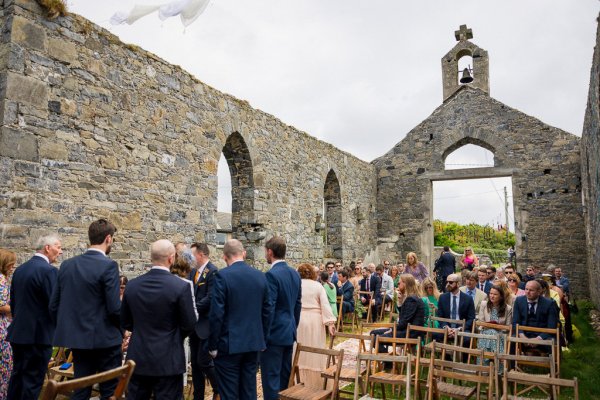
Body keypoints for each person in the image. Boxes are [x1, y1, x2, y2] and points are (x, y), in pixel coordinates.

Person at [49, 219, 122, 400]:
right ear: (108, 238)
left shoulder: (67, 265)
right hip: (106, 340)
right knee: (109, 390)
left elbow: (53, 306)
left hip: (78, 340)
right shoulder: (109, 265)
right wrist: (122, 330)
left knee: (81, 388)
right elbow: (114, 308)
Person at [121, 239, 197, 400]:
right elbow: (189, 323)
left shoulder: (133, 285)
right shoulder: (180, 287)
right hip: (168, 358)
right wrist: (174, 336)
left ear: (151, 258)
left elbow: (126, 321)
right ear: (172, 258)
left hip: (138, 356)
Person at [208, 239, 269, 400]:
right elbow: (267, 311)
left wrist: (212, 346)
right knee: (249, 390)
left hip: (229, 344)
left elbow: (216, 314)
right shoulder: (260, 276)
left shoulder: (222, 276)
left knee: (229, 392)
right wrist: (263, 338)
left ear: (224, 256)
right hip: (253, 342)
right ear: (244, 253)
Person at [7, 234, 62, 400]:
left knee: (17, 378)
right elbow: (54, 305)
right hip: (38, 336)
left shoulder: (20, 269)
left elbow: (14, 303)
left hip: (18, 334)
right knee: (32, 382)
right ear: (47, 248)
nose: (60, 252)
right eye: (58, 247)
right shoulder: (49, 271)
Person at [261, 237, 302, 400]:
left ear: (270, 252)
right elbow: (298, 305)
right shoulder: (294, 273)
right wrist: (293, 325)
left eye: (265, 251)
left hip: (273, 335)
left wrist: (263, 336)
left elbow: (268, 308)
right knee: (284, 378)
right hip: (289, 332)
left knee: (271, 380)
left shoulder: (271, 275)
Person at [296, 263, 336, 387]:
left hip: (299, 320)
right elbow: (325, 305)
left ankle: (299, 381)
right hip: (315, 321)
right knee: (315, 350)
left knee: (299, 351)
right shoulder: (318, 286)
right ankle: (316, 384)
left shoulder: (297, 285)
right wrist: (330, 323)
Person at [188, 242, 219, 400]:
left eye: (192, 254)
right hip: (194, 325)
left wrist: (192, 307)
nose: (191, 258)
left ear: (201, 255)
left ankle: (218, 387)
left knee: (204, 361)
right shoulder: (193, 272)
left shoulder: (212, 272)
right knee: (195, 363)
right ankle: (198, 396)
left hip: (205, 325)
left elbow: (211, 297)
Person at [371, 274, 425, 353]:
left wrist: (391, 329)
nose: (397, 285)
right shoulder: (409, 298)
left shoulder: (412, 299)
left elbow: (404, 322)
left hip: (410, 333)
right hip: (405, 330)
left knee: (376, 338)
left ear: (405, 284)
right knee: (373, 333)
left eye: (399, 283)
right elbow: (404, 317)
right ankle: (386, 360)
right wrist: (400, 302)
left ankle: (388, 363)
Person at [512, 280, 559, 350]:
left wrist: (539, 339)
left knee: (551, 343)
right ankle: (510, 361)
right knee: (512, 342)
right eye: (526, 289)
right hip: (523, 333)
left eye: (531, 290)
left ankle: (549, 360)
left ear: (539, 292)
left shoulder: (549, 304)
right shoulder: (519, 301)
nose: (528, 292)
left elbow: (551, 327)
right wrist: (522, 336)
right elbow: (515, 322)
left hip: (542, 334)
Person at [436, 274, 476, 342]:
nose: (448, 284)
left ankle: (462, 353)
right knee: (435, 334)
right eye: (447, 282)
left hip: (461, 327)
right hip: (447, 326)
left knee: (467, 339)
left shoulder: (468, 299)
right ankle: (445, 352)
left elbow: (471, 318)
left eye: (451, 282)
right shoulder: (442, 297)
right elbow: (440, 316)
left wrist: (459, 329)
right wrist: (446, 327)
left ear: (458, 283)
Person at [0, 249, 16, 399]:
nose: (12, 267)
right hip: (2, 328)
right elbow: (1, 305)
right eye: (11, 264)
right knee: (5, 367)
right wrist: (16, 308)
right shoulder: (1, 280)